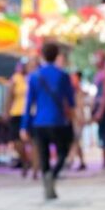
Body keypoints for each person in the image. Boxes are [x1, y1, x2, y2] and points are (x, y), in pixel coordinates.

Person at [21, 42, 75, 200]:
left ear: (42, 55)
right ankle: (53, 174)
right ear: (57, 55)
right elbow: (70, 101)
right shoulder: (63, 75)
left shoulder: (34, 77)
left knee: (43, 155)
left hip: (39, 122)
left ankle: (47, 185)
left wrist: (24, 126)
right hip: (58, 121)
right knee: (63, 152)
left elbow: (29, 103)